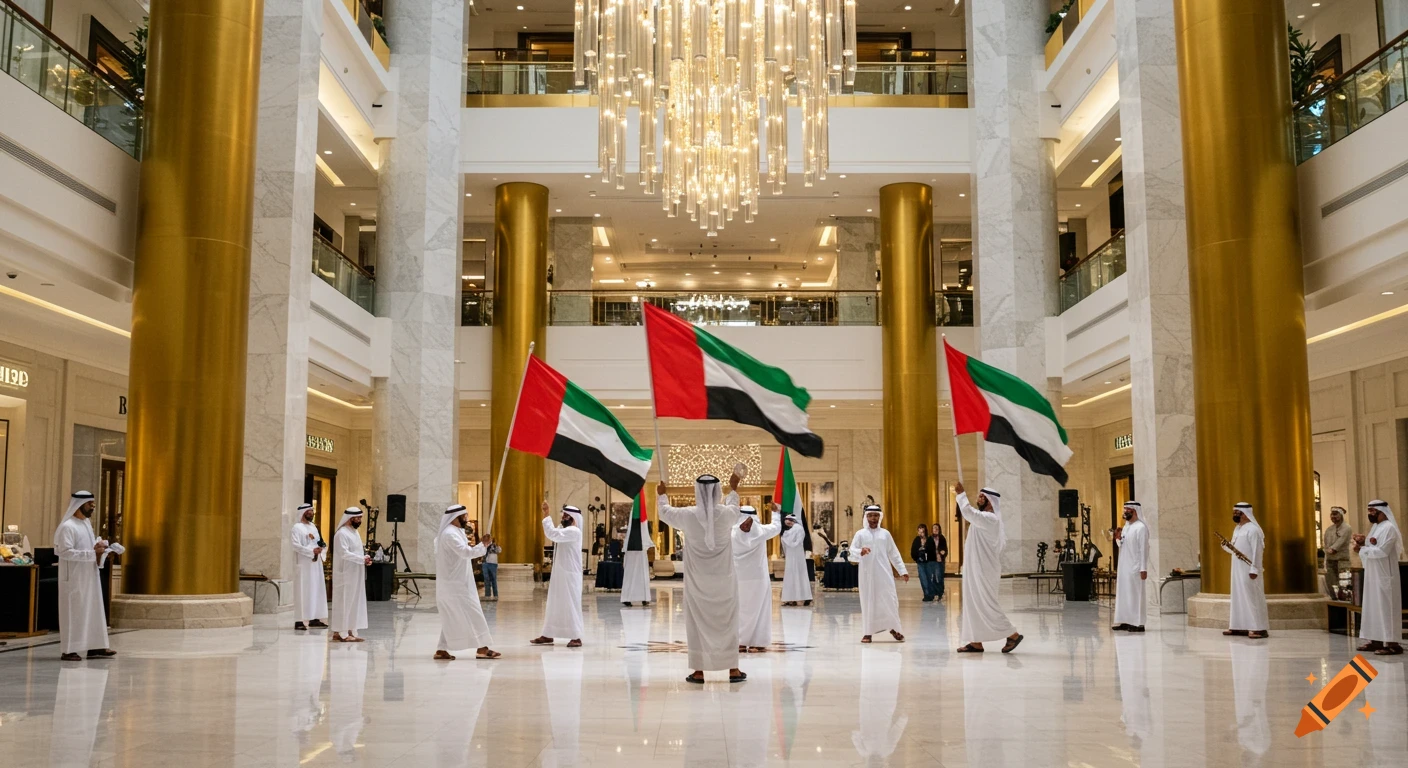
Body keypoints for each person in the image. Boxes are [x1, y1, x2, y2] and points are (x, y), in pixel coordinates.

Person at [657, 473, 748, 684]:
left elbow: (664, 512)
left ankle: (699, 672)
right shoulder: (726, 515)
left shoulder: (688, 515)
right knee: (726, 622)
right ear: (717, 492)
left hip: (697, 581)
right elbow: (735, 508)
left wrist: (662, 495)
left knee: (697, 622)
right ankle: (732, 669)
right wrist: (734, 489)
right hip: (724, 580)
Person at [954, 483, 1023, 654]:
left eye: (981, 496)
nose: (978, 498)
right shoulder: (983, 519)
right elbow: (972, 515)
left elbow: (969, 513)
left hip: (984, 570)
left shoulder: (991, 519)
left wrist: (962, 495)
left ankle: (1012, 634)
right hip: (976, 569)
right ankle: (976, 642)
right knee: (973, 604)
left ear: (991, 501)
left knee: (987, 605)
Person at [434, 504, 500, 660]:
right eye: (465, 516)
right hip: (456, 585)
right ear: (456, 517)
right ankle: (482, 649)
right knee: (474, 612)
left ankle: (441, 649)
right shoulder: (450, 534)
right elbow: (465, 553)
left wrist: (482, 544)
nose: (467, 519)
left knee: (452, 615)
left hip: (457, 582)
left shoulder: (455, 532)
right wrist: (483, 545)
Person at [53, 491, 114, 660]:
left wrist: (100, 547)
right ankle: (69, 650)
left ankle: (95, 647)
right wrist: (91, 553)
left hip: (89, 575)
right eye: (90, 505)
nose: (92, 508)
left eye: (93, 505)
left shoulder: (86, 524)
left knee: (93, 609)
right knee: (74, 612)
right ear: (79, 505)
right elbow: (63, 552)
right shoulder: (67, 526)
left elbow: (88, 547)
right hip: (73, 577)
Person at [852, 504, 908, 643]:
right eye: (870, 515)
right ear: (866, 517)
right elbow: (851, 551)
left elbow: (894, 553)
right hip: (867, 575)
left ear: (880, 517)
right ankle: (867, 633)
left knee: (889, 600)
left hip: (884, 574)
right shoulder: (860, 534)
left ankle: (894, 629)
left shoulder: (885, 534)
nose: (873, 518)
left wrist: (902, 570)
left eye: (876, 515)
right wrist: (860, 551)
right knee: (869, 601)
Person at [1353, 500, 1402, 655]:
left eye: (1373, 511)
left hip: (1385, 575)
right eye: (1369, 511)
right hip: (1373, 575)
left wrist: (1362, 548)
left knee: (1386, 608)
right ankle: (1376, 640)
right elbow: (1371, 545)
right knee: (1372, 607)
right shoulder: (1376, 527)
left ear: (1382, 512)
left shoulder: (1389, 528)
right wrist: (1362, 542)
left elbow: (1382, 551)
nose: (1370, 514)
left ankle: (1392, 643)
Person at [532, 503, 585, 647]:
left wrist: (546, 514)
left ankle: (576, 636)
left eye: (567, 516)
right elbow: (556, 532)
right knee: (554, 603)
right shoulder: (565, 529)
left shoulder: (574, 531)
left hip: (569, 574)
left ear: (574, 518)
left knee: (571, 604)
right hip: (560, 573)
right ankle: (548, 634)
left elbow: (553, 534)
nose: (564, 518)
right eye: (563, 515)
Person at [733, 504, 782, 652]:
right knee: (758, 610)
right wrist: (775, 512)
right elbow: (777, 526)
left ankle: (741, 642)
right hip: (757, 578)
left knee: (740, 609)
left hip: (738, 578)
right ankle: (757, 642)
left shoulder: (731, 532)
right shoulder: (761, 531)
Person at [1222, 502, 1268, 640]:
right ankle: (1238, 626)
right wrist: (1225, 546)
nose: (1235, 515)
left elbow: (1257, 551)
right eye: (1234, 513)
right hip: (1237, 568)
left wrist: (1254, 568)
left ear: (1245, 514)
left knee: (1251, 596)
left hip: (1249, 569)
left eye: (1238, 513)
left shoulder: (1253, 530)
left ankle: (1258, 628)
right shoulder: (1237, 529)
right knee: (1238, 596)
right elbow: (1235, 549)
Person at [330, 507, 371, 643]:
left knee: (354, 602)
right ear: (350, 518)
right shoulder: (342, 534)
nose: (359, 521)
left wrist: (365, 558)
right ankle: (341, 632)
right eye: (357, 518)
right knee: (344, 602)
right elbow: (344, 553)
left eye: (360, 518)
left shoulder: (354, 533)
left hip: (356, 573)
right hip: (345, 574)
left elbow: (357, 552)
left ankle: (350, 631)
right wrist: (360, 559)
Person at [290, 502, 329, 631]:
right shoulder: (297, 527)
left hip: (315, 564)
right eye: (309, 512)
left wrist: (321, 549)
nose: (311, 514)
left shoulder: (313, 527)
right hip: (304, 565)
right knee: (303, 591)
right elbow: (296, 545)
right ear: (303, 513)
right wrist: (311, 551)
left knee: (315, 590)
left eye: (312, 511)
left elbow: (319, 542)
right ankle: (299, 620)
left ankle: (314, 618)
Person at [1112, 501, 1149, 632]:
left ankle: (1138, 623)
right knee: (1125, 594)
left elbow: (1144, 549)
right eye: (1124, 510)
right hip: (1124, 567)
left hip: (1136, 567)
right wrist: (1117, 538)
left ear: (1134, 511)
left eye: (1127, 510)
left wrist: (1143, 568)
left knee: (1135, 595)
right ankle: (1126, 620)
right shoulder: (1127, 527)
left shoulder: (1141, 527)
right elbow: (1122, 544)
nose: (1125, 512)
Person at [621, 501, 655, 607]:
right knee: (635, 575)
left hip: (639, 550)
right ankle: (631, 598)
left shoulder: (643, 525)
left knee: (640, 576)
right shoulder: (639, 524)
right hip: (633, 550)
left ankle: (641, 598)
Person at [780, 509, 813, 607]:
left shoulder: (798, 528)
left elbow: (795, 543)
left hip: (797, 556)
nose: (787, 521)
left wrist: (785, 538)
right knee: (792, 576)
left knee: (799, 575)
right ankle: (791, 598)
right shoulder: (789, 530)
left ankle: (801, 598)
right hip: (792, 556)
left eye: (790, 519)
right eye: (786, 519)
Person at [1322, 506, 1352, 584]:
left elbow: (1340, 541)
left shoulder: (1347, 528)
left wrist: (1332, 549)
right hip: (1330, 561)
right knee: (1331, 584)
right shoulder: (1329, 529)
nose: (1333, 517)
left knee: (1343, 584)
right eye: (1331, 515)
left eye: (1335, 514)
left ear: (1341, 515)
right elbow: (1326, 544)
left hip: (1342, 562)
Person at [911, 523, 939, 602]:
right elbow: (913, 551)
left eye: (922, 532)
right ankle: (926, 594)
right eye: (919, 532)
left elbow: (933, 551)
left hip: (929, 562)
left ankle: (931, 593)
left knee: (929, 578)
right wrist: (917, 557)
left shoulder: (929, 539)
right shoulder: (916, 540)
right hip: (920, 563)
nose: (921, 533)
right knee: (923, 578)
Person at [930, 522, 949, 600]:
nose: (936, 530)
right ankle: (935, 592)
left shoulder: (942, 538)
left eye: (937, 528)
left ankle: (940, 592)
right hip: (932, 560)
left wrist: (942, 553)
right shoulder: (930, 538)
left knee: (939, 576)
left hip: (939, 560)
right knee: (933, 577)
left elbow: (945, 549)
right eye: (934, 528)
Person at [481, 535, 501, 601]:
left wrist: (496, 546)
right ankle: (487, 594)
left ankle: (495, 595)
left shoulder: (494, 546)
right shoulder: (482, 546)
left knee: (493, 579)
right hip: (485, 563)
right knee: (486, 579)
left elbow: (499, 550)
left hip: (493, 563)